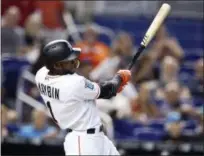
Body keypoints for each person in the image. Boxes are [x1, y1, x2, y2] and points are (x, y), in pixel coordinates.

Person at [35, 39, 131, 155]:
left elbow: (107, 90)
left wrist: (115, 85)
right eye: (69, 60)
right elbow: (107, 91)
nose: (74, 61)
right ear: (57, 65)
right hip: (83, 141)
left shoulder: (41, 75)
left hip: (96, 137)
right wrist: (119, 77)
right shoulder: (73, 83)